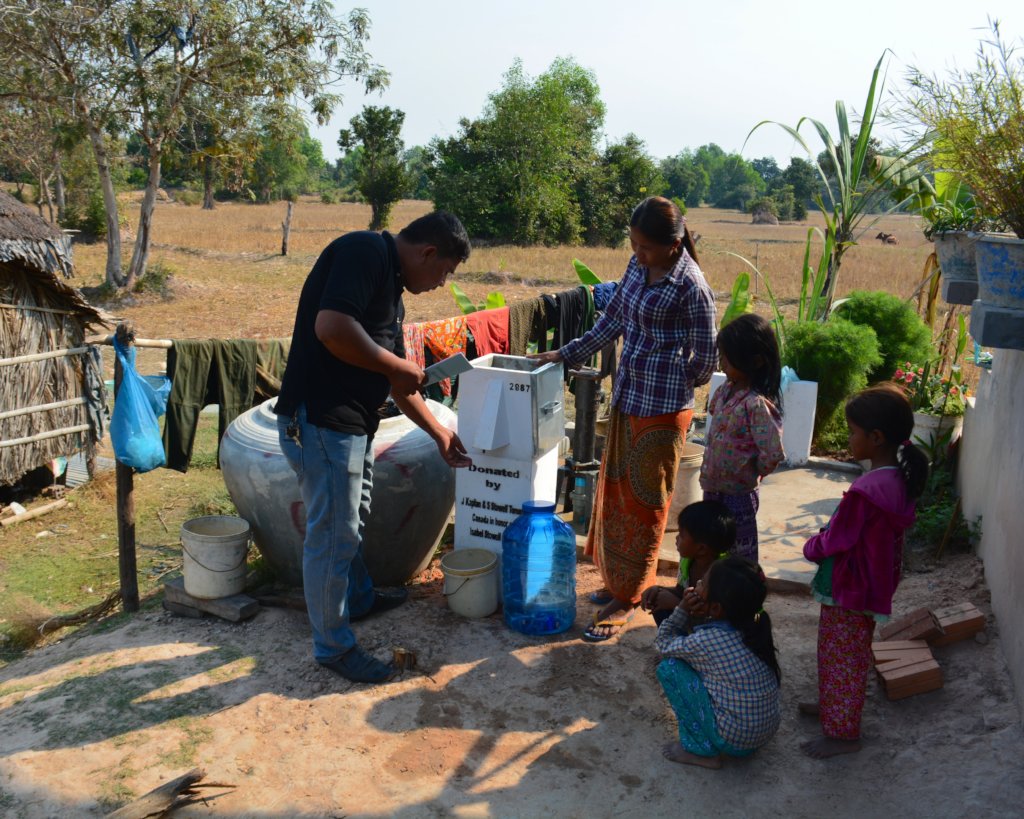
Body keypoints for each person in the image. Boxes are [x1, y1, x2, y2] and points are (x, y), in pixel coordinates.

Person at [275, 211, 473, 684]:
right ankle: (334, 647)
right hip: (320, 420)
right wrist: (396, 366)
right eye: (444, 272)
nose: (442, 283)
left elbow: (398, 382)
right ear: (427, 252)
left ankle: (358, 599)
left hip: (349, 424)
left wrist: (439, 432)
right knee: (333, 534)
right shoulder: (364, 252)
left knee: (351, 519)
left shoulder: (390, 291)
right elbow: (331, 327)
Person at [531, 196, 717, 642]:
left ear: (674, 245)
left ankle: (631, 597)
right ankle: (619, 582)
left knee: (646, 506)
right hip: (628, 398)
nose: (638, 254)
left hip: (663, 411)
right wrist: (564, 353)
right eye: (633, 244)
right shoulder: (637, 268)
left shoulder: (691, 286)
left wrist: (672, 376)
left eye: (646, 247)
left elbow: (706, 359)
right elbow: (611, 321)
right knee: (616, 497)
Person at [799, 383, 928, 758]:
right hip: (872, 584)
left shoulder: (866, 490)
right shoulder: (896, 480)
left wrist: (812, 546)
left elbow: (838, 539)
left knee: (841, 656)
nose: (849, 439)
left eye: (853, 432)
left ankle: (842, 734)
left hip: (850, 588)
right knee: (849, 652)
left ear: (876, 437)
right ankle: (832, 705)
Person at [655, 555, 782, 769]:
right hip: (763, 733)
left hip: (735, 742)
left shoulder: (708, 640)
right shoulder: (754, 628)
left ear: (715, 609)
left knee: (669, 669)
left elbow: (663, 643)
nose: (697, 584)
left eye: (702, 583)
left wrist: (683, 608)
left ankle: (700, 751)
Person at [700, 312, 785, 564]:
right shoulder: (725, 391)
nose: (722, 363)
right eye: (721, 355)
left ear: (755, 361)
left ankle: (740, 589)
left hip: (739, 496)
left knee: (739, 554)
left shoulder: (756, 404)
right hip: (712, 489)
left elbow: (772, 453)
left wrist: (749, 472)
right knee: (712, 548)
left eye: (728, 357)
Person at [640, 500, 735, 627]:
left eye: (681, 535)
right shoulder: (688, 560)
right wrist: (657, 589)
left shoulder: (723, 574)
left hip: (714, 629)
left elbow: (716, 616)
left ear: (701, 549)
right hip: (693, 618)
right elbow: (681, 590)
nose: (676, 538)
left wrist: (676, 603)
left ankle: (679, 638)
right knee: (658, 598)